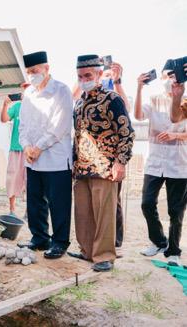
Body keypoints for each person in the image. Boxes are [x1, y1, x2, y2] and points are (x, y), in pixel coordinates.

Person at [70, 55, 135, 272]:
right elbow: (77, 136)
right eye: (80, 76)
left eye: (88, 75)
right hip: (82, 169)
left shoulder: (112, 99)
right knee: (83, 214)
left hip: (105, 168)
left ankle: (105, 255)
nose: (84, 79)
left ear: (98, 74)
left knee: (104, 214)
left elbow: (126, 133)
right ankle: (87, 251)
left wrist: (121, 163)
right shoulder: (78, 103)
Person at [17, 51, 73, 260]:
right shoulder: (29, 93)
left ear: (47, 68)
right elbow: (23, 125)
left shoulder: (61, 90)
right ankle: (39, 238)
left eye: (35, 70)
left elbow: (60, 124)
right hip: (32, 158)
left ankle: (59, 242)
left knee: (58, 203)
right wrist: (25, 146)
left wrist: (39, 146)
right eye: (29, 72)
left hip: (56, 157)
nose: (32, 75)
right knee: (35, 201)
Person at [135, 60, 187, 266]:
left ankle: (173, 250)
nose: (169, 80)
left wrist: (177, 136)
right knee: (147, 204)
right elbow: (138, 115)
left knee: (176, 210)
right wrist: (138, 88)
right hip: (155, 162)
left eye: (173, 76)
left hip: (179, 164)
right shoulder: (154, 99)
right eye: (166, 76)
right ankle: (158, 241)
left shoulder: (185, 101)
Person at [1, 89, 25, 216]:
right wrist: (5, 105)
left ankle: (29, 211)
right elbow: (4, 119)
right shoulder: (17, 106)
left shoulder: (37, 108)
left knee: (31, 181)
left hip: (31, 150)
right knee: (12, 178)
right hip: (15, 148)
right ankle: (12, 210)